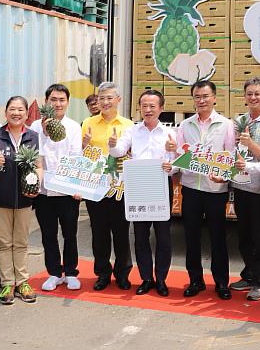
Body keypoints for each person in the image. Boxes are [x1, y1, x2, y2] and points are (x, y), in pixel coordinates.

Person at [165, 80, 235, 300]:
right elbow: (179, 157)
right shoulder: (185, 126)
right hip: (191, 188)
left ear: (214, 98)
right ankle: (195, 280)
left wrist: (223, 175)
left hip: (215, 189)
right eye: (197, 96)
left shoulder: (226, 125)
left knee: (218, 238)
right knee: (191, 237)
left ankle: (222, 282)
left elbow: (230, 156)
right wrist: (170, 167)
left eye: (205, 96)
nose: (202, 100)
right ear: (193, 99)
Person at [109, 89, 175, 297]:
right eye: (144, 106)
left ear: (161, 109)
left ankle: (162, 279)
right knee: (140, 236)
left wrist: (171, 166)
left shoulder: (170, 133)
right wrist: (112, 145)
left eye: (152, 106)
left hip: (161, 187)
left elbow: (177, 163)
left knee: (163, 237)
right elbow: (120, 151)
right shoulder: (133, 131)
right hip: (138, 187)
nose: (147, 110)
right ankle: (146, 278)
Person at [0, 96, 43, 305]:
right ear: (6, 112)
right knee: (5, 242)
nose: (16, 113)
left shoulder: (33, 137)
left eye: (20, 110)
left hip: (25, 198)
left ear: (26, 114)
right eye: (12, 109)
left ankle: (23, 282)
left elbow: (39, 166)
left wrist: (36, 184)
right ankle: (7, 283)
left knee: (21, 242)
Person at [229, 78, 260, 301]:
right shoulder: (239, 121)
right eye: (249, 94)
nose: (253, 97)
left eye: (257, 93)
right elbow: (230, 151)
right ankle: (248, 274)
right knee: (243, 236)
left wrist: (250, 144)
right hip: (240, 185)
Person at [30, 84, 84, 292]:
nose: (58, 103)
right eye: (53, 99)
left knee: (70, 233)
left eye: (62, 100)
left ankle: (70, 272)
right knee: (48, 234)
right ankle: (53, 272)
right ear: (46, 102)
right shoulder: (35, 126)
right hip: (43, 191)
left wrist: (77, 187)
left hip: (67, 191)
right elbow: (36, 157)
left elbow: (76, 157)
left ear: (68, 103)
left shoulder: (73, 127)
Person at [81, 82, 134, 291]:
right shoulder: (88, 123)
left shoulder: (129, 125)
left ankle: (122, 273)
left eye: (109, 98)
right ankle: (102, 273)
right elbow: (80, 155)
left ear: (118, 100)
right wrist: (84, 144)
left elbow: (133, 155)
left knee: (121, 232)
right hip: (95, 187)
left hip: (120, 187)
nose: (105, 102)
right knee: (99, 233)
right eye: (101, 98)